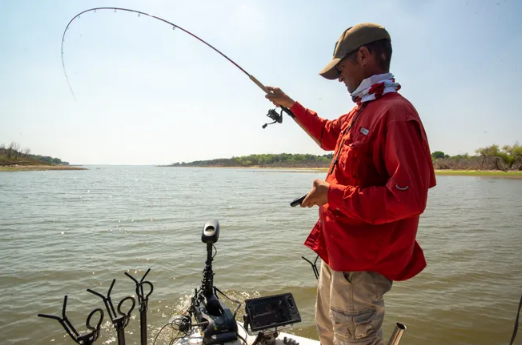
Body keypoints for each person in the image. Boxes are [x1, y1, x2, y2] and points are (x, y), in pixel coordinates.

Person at [265, 23, 436, 345]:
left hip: (363, 262)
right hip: (339, 253)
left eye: (341, 69)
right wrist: (289, 104)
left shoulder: (394, 113)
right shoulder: (364, 110)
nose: (340, 78)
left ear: (363, 55)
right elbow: (328, 133)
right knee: (330, 332)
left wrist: (332, 194)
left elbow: (409, 200)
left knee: (354, 339)